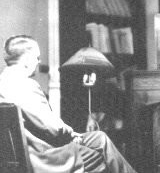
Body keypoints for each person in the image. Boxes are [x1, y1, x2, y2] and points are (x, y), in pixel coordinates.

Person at [0, 35, 137, 173]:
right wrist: (73, 135)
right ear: (27, 59)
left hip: (31, 153)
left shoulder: (4, 81)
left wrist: (73, 135)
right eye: (37, 58)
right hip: (44, 158)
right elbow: (52, 128)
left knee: (100, 138)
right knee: (102, 156)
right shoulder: (26, 85)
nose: (38, 62)